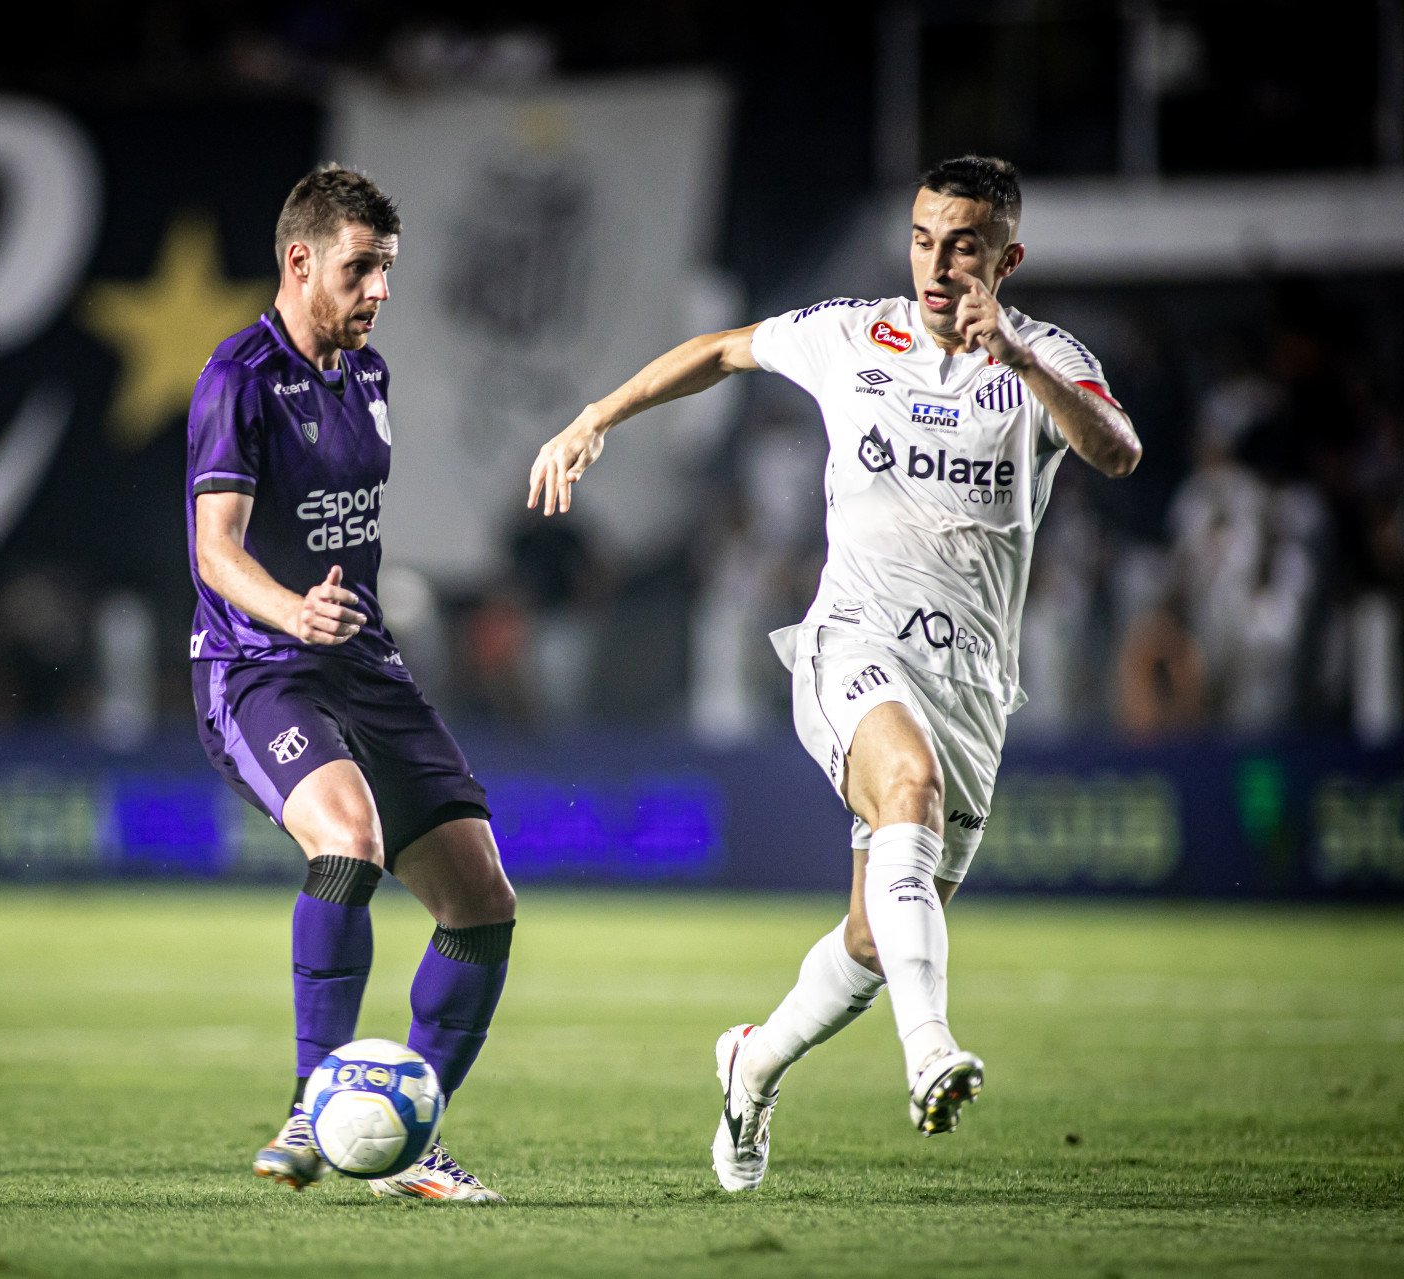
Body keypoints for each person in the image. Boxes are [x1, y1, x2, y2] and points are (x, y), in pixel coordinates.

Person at [527, 156, 1141, 1189]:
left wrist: (1024, 365)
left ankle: (750, 1063)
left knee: (872, 931)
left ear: (1007, 256)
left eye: (963, 245)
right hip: (853, 644)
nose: (937, 264)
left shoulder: (1044, 360)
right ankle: (930, 1050)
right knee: (907, 788)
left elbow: (1117, 451)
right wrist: (597, 415)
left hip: (974, 685)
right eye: (922, 238)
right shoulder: (854, 335)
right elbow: (724, 352)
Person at [187, 164, 514, 1202]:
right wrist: (292, 611)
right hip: (261, 667)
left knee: (482, 904)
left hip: (364, 665)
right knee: (349, 841)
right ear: (300, 261)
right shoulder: (238, 376)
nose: (380, 289)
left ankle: (405, 1143)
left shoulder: (366, 375)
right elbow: (215, 550)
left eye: (388, 270)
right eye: (360, 268)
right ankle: (308, 1104)